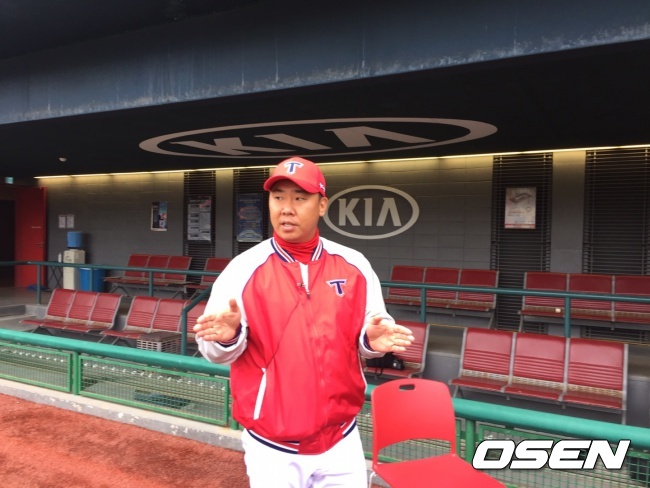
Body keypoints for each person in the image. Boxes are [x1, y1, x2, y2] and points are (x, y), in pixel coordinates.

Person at [194, 156, 414, 488]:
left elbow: (371, 335)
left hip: (342, 439)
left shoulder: (354, 264)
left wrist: (372, 342)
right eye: (278, 197)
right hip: (273, 447)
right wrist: (228, 337)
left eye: (300, 198)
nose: (286, 208)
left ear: (322, 205)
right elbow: (213, 352)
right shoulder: (243, 269)